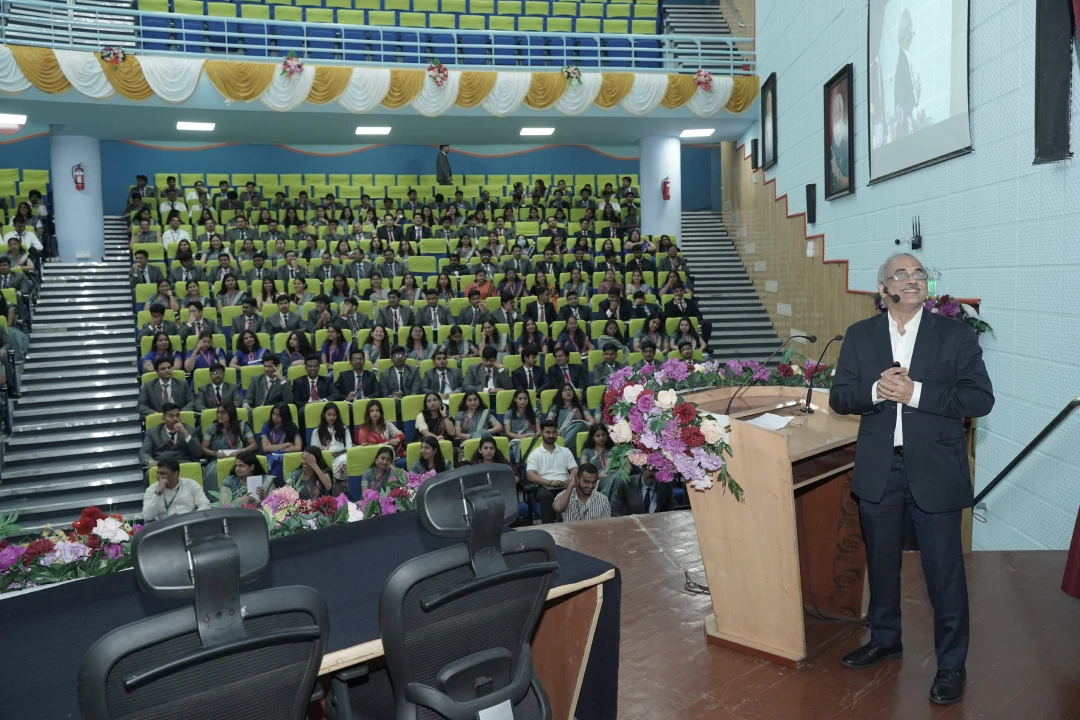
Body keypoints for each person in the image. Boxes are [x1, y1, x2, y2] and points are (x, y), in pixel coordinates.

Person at [830, 253, 994, 706]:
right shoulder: (861, 336)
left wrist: (915, 393)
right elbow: (840, 397)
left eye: (920, 273)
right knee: (881, 564)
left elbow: (980, 398)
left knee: (944, 572)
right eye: (901, 274)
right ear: (882, 290)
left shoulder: (955, 335)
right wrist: (874, 392)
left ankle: (951, 664)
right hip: (880, 468)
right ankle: (885, 639)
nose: (913, 279)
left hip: (935, 471)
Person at [525, 420, 579, 523]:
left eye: (554, 432)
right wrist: (549, 482)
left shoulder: (565, 451)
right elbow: (530, 475)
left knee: (575, 492)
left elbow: (575, 469)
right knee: (546, 496)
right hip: (545, 486)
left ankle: (572, 526)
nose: (551, 435)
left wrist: (571, 478)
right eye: (548, 432)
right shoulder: (535, 454)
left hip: (565, 485)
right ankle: (549, 529)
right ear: (541, 433)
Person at [200, 402, 257, 491]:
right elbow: (203, 448)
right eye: (218, 412)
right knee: (214, 472)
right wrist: (215, 453)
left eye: (223, 413)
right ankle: (216, 500)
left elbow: (254, 445)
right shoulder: (213, 427)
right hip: (218, 459)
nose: (219, 415)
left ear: (231, 413)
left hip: (240, 458)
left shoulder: (242, 426)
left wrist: (240, 451)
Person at [141, 458, 210, 522]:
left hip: (190, 523)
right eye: (158, 473)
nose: (159, 477)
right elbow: (147, 517)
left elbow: (205, 505)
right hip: (165, 527)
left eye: (163, 473)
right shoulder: (151, 490)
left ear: (175, 474)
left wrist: (194, 519)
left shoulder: (191, 484)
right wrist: (159, 492)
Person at [259, 402, 303, 479]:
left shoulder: (292, 427)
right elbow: (266, 448)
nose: (274, 417)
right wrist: (287, 444)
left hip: (286, 457)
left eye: (278, 415)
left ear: (284, 416)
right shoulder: (267, 426)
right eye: (273, 414)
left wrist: (275, 449)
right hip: (269, 458)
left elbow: (298, 447)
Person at [610, 465, 674, 516]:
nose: (656, 474)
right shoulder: (627, 483)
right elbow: (614, 509)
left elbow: (670, 508)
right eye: (653, 470)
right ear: (643, 468)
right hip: (631, 526)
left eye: (659, 471)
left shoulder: (665, 485)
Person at [313, 402, 352, 484]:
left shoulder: (344, 429)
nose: (332, 417)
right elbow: (313, 450)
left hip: (341, 458)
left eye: (334, 415)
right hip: (325, 459)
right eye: (329, 414)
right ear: (324, 415)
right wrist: (321, 450)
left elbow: (349, 448)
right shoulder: (317, 431)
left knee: (344, 459)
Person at [546, 382, 593, 448]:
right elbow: (549, 421)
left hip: (579, 431)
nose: (568, 392)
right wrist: (554, 430)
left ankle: (561, 449)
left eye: (570, 390)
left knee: (580, 425)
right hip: (562, 432)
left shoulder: (580, 406)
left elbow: (591, 420)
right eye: (565, 390)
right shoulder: (556, 407)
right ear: (561, 394)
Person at [505, 388, 540, 463]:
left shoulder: (534, 412)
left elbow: (539, 431)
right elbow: (508, 433)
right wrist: (522, 437)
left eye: (525, 398)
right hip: (517, 440)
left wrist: (535, 435)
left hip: (532, 438)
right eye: (520, 399)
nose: (523, 401)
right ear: (515, 399)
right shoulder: (509, 413)